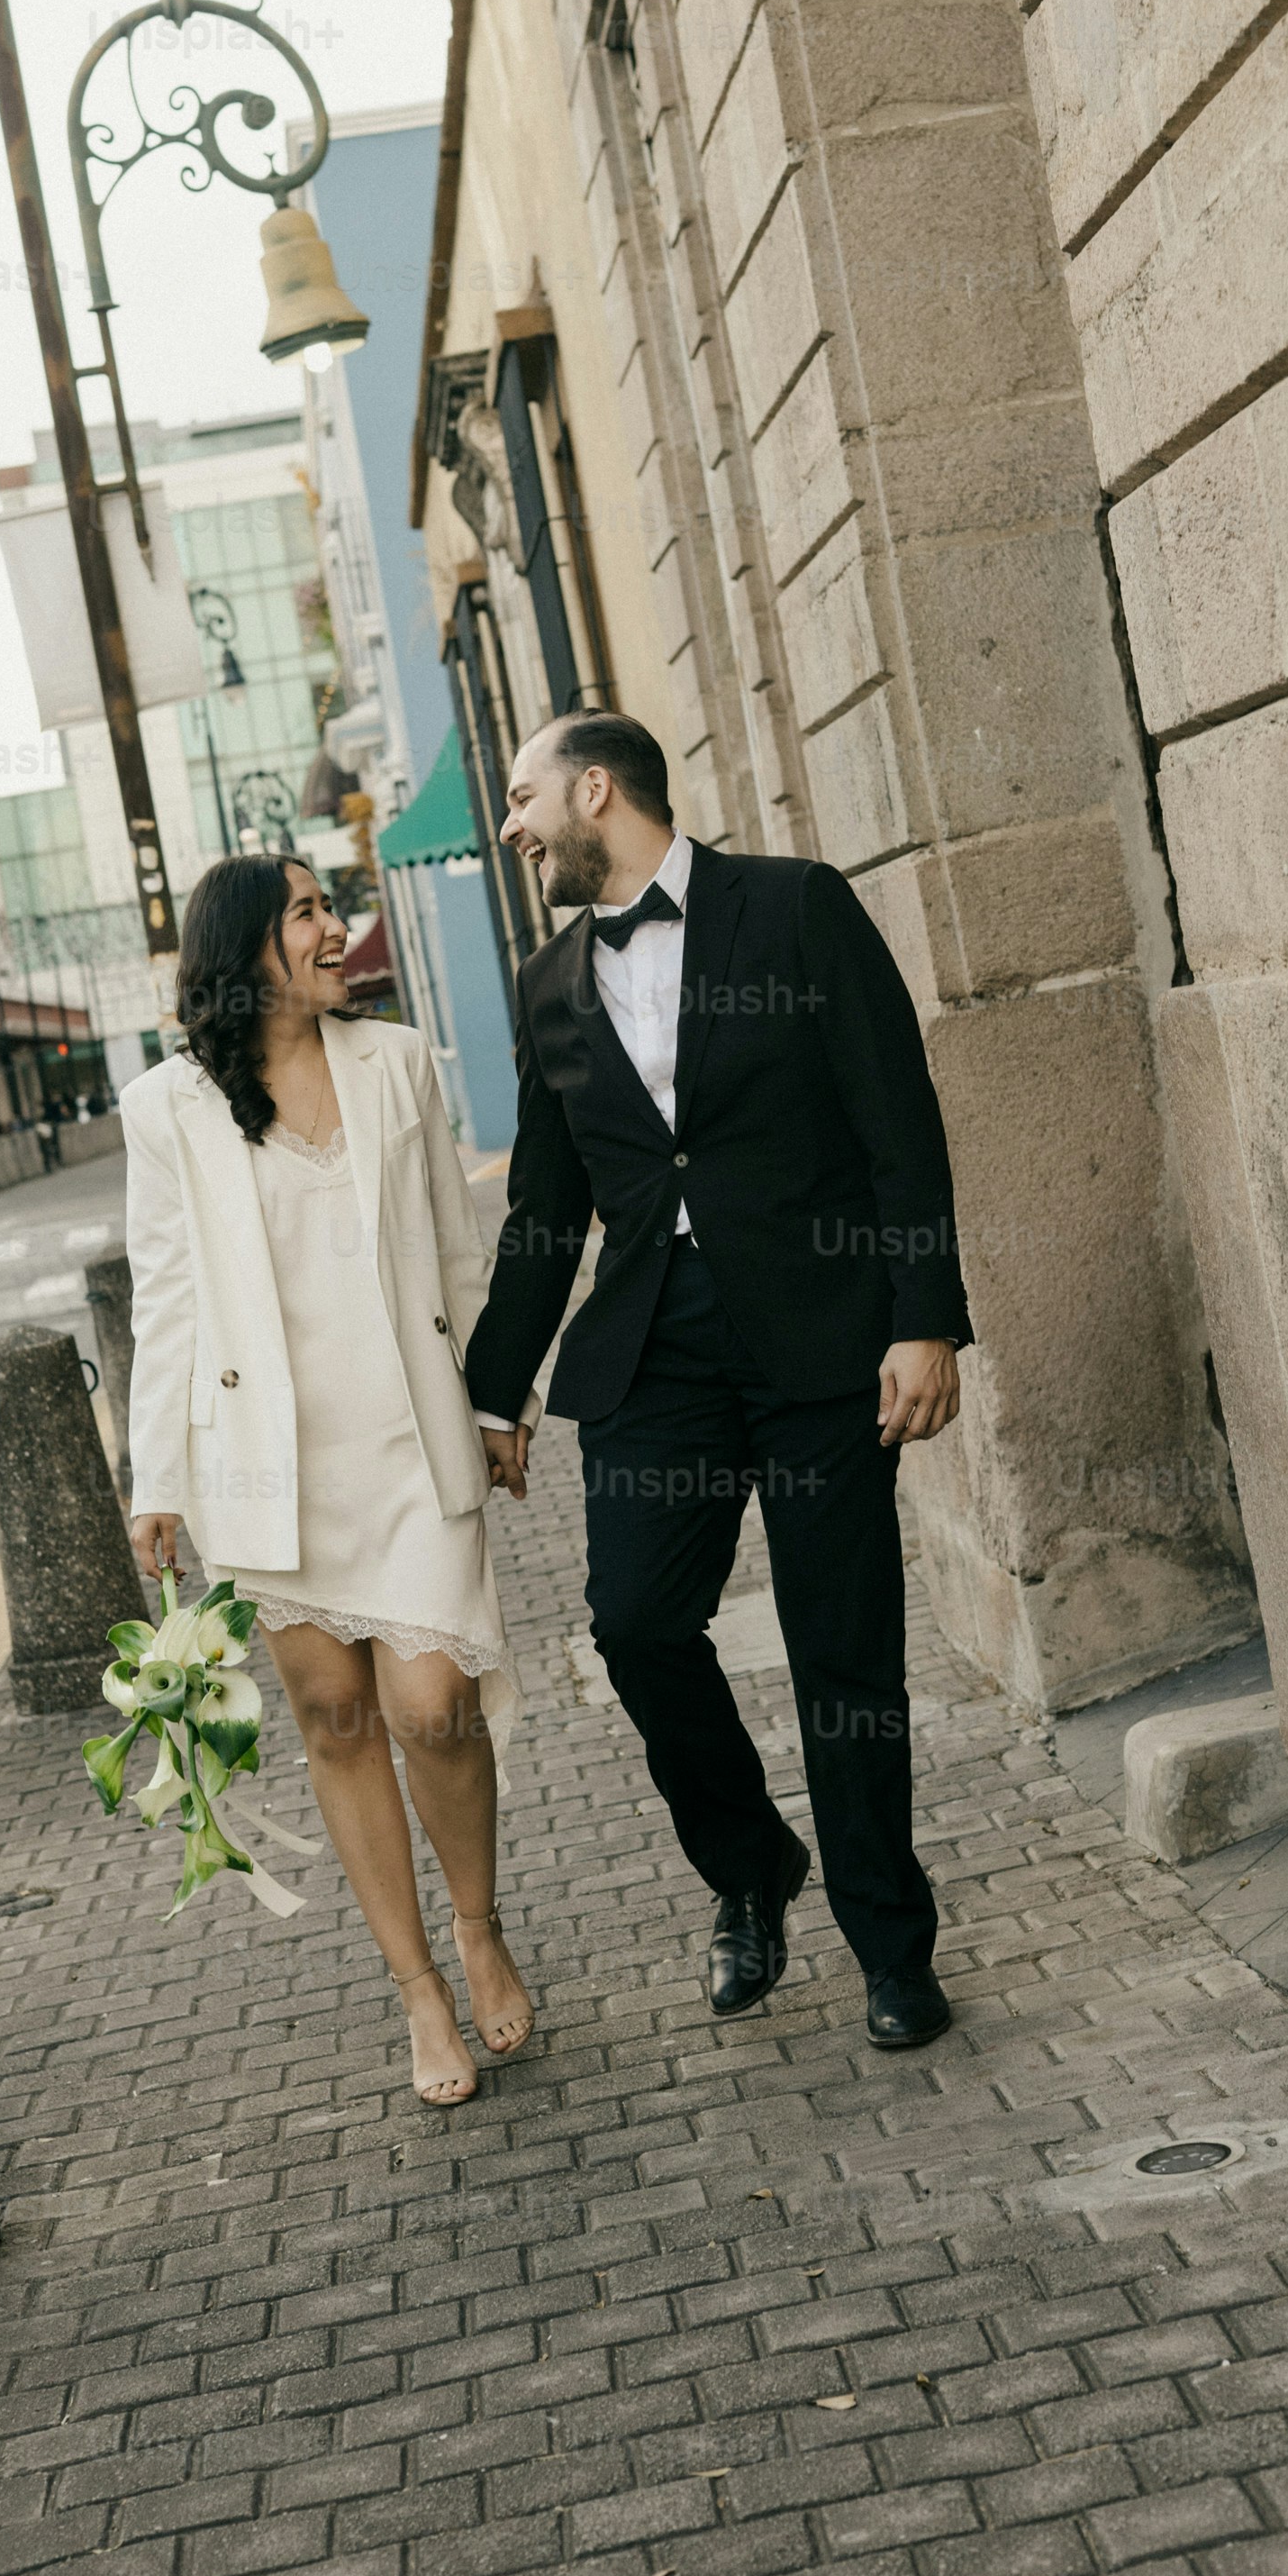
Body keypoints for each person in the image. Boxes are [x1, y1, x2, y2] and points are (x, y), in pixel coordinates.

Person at [465, 714, 970, 2051]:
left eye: (523, 798)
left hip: (819, 1336)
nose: (511, 827)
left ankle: (889, 1941)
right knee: (634, 1621)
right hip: (654, 1352)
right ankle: (751, 1865)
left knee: (843, 1654)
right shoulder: (548, 986)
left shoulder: (795, 908)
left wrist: (926, 1315)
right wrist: (489, 1392)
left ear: (594, 787)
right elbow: (543, 1206)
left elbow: (896, 1118)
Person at [123, 851, 536, 2107]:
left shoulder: (398, 1061)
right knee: (339, 1724)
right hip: (269, 1470)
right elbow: (172, 1299)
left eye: (326, 908)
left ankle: (478, 1924)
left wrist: (499, 1394)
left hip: (410, 1439)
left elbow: (458, 1253)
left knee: (429, 1701)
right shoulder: (170, 1108)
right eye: (306, 912)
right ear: (246, 945)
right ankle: (419, 1990)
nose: (333, 929)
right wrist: (158, 1478)